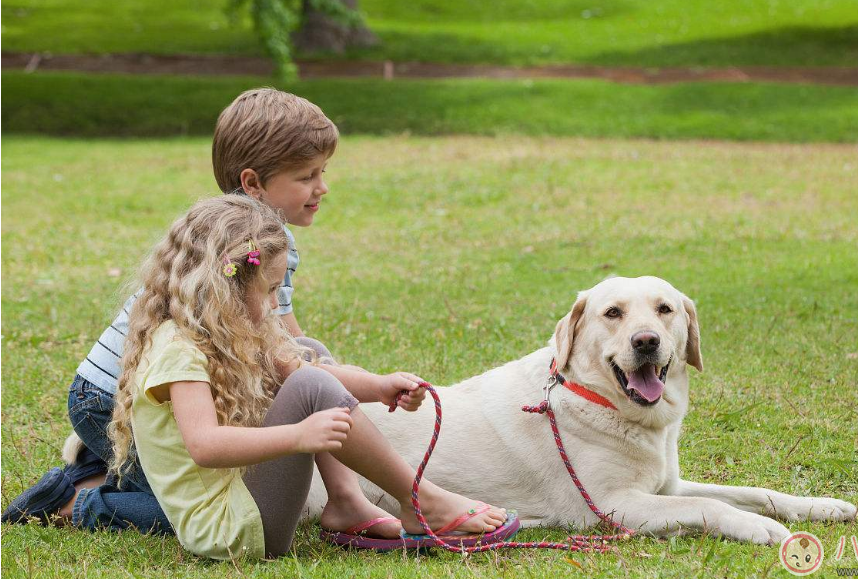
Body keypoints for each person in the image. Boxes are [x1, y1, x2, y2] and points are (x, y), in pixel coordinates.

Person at [3, 89, 418, 541]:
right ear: (253, 183)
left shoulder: (263, 240)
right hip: (106, 400)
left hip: (169, 395)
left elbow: (292, 354)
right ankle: (79, 495)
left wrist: (370, 386)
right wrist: (314, 414)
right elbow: (287, 367)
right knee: (192, 510)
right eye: (306, 175)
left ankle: (346, 498)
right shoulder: (239, 248)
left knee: (307, 362)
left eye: (323, 171)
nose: (323, 186)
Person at [112, 195, 509, 559]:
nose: (274, 303)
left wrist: (378, 385)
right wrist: (299, 436)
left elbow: (303, 368)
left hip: (246, 497)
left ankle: (346, 501)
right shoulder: (178, 350)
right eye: (269, 289)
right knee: (308, 386)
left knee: (308, 352)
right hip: (231, 529)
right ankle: (421, 501)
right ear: (224, 285)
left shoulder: (221, 326)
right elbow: (205, 446)